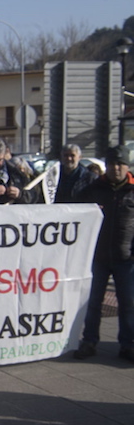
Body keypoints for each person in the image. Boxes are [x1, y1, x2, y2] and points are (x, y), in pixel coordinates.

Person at [73, 145, 134, 363]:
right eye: (112, 164)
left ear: (127, 166)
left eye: (120, 164)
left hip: (126, 258)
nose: (116, 168)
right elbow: (73, 211)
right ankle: (89, 341)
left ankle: (128, 345)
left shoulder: (132, 189)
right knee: (93, 302)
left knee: (128, 303)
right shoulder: (94, 188)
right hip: (97, 257)